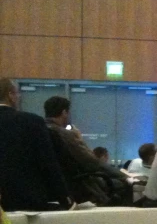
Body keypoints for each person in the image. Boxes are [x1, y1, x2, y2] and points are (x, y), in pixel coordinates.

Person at [44, 96, 132, 206]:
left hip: (51, 186)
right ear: (64, 112)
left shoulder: (40, 131)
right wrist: (126, 177)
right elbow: (92, 162)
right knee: (125, 186)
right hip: (79, 185)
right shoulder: (65, 135)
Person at [0, 79, 71, 212]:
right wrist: (66, 200)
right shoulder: (32, 122)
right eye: (17, 94)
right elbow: (48, 163)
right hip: (26, 201)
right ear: (10, 95)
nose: (19, 97)